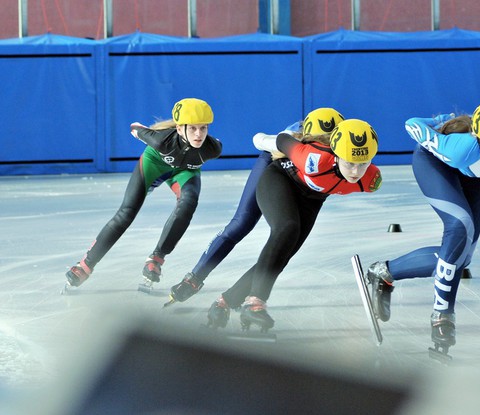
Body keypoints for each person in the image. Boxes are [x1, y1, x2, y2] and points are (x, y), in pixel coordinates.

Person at [365, 98, 480, 351]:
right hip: (437, 165)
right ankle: (442, 315)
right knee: (460, 226)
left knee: (463, 258)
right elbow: (411, 125)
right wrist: (437, 121)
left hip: (475, 174)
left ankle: (383, 271)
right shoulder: (458, 148)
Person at [206, 118, 382, 330]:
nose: (355, 172)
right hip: (280, 178)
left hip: (313, 198)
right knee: (286, 228)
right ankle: (255, 303)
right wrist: (259, 139)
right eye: (349, 163)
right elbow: (281, 140)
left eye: (362, 164)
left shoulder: (371, 180)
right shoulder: (314, 158)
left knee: (283, 254)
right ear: (336, 154)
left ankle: (225, 302)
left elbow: (354, 174)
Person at [167, 108, 345, 303]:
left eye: (328, 145)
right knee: (243, 222)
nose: (323, 149)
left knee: (285, 248)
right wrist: (279, 146)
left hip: (307, 184)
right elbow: (259, 140)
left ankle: (230, 299)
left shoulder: (342, 148)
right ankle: (194, 278)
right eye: (318, 143)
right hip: (276, 167)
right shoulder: (293, 135)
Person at [64, 98, 222, 289]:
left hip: (184, 171)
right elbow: (134, 127)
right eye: (193, 128)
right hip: (155, 164)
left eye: (203, 128)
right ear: (180, 128)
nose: (199, 134)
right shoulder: (161, 140)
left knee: (188, 204)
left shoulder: (213, 148)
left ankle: (157, 258)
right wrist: (144, 129)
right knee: (126, 212)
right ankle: (85, 265)